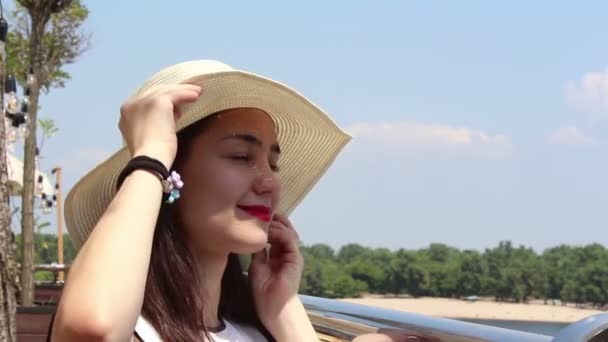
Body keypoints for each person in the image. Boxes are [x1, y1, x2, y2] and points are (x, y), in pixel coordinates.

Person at [50, 60, 351, 341]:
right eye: (241, 156)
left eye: (273, 165)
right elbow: (94, 327)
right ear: (166, 175)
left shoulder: (259, 330)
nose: (269, 182)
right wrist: (152, 156)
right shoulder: (134, 329)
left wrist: (285, 310)